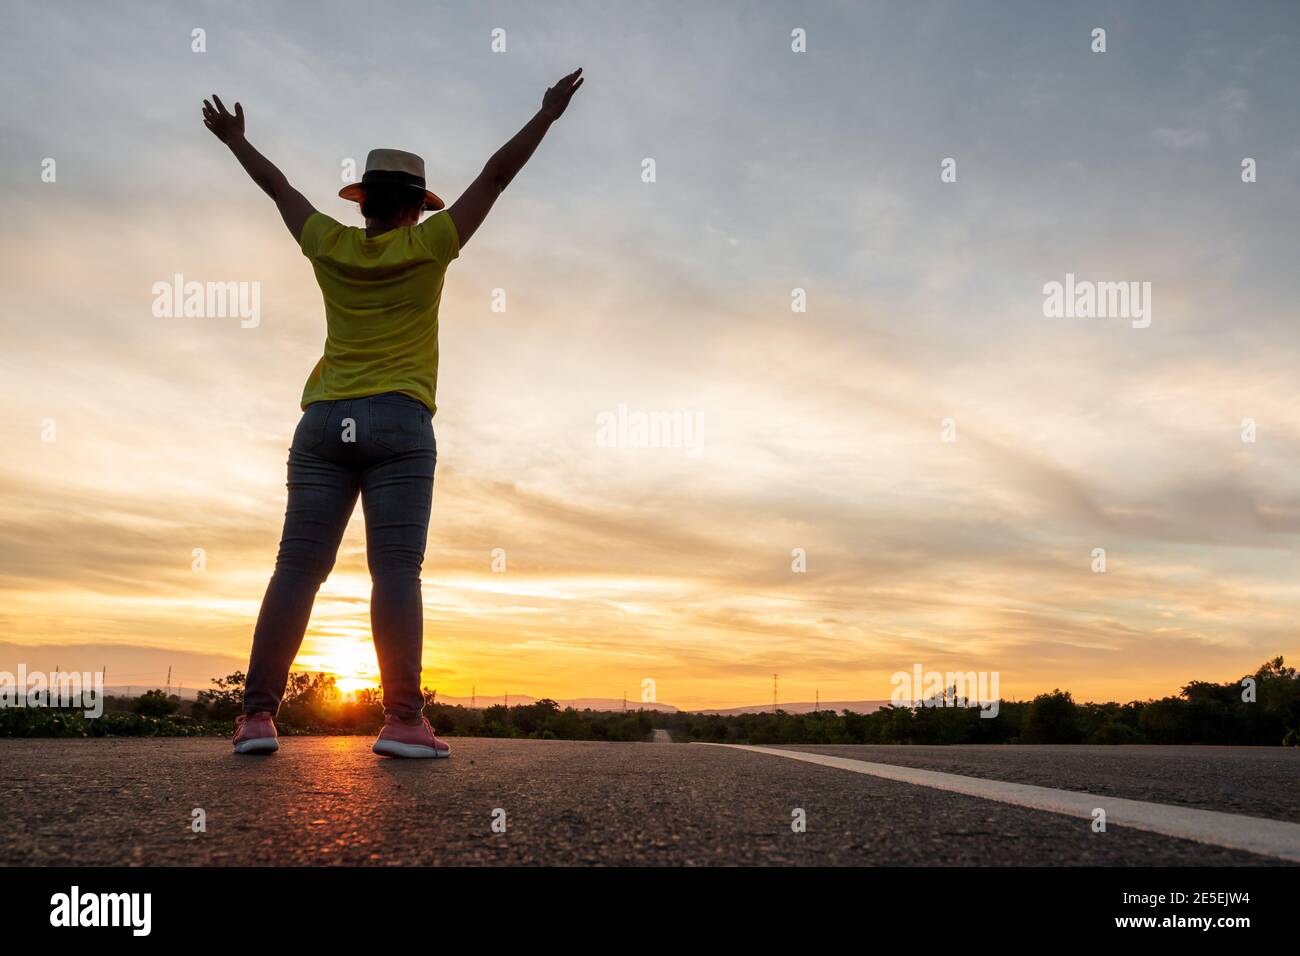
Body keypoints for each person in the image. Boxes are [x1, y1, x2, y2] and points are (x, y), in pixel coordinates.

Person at [201, 69, 586, 758]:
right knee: (396, 572)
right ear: (414, 208)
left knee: (297, 567)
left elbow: (278, 189)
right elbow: (496, 177)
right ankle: (404, 722)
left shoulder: (329, 241)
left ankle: (257, 719)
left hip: (324, 420)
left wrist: (236, 141)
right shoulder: (430, 244)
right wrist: (547, 114)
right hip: (400, 423)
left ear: (364, 206)